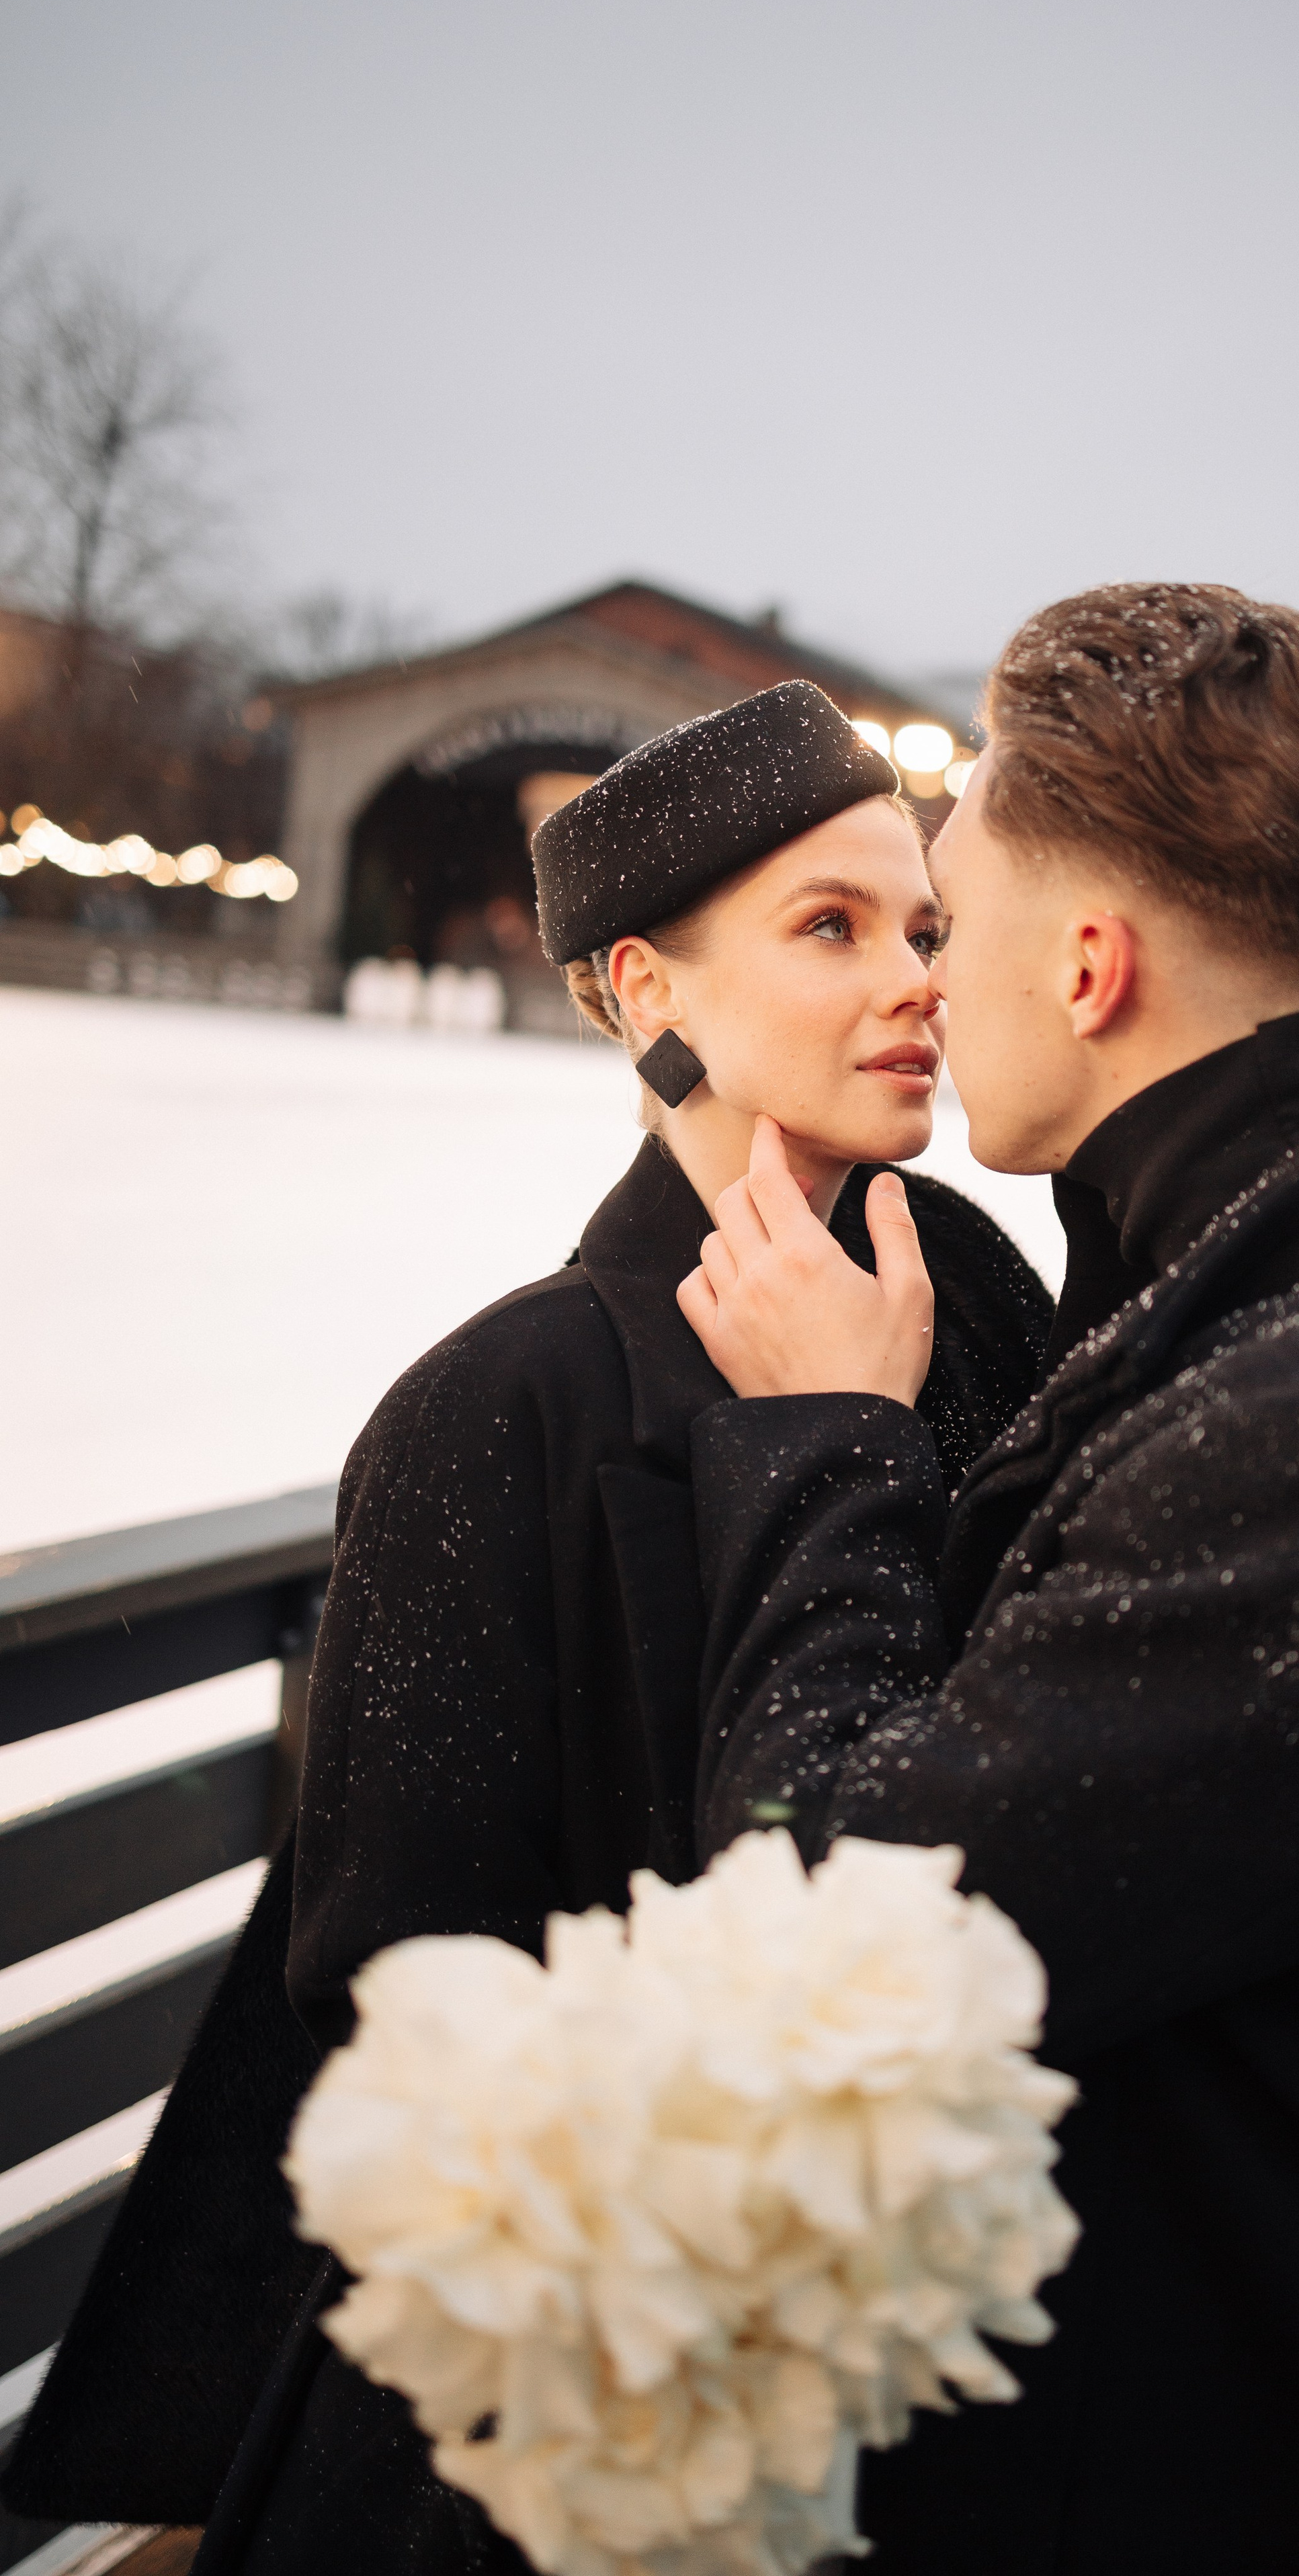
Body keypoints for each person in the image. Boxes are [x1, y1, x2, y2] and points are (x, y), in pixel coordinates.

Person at [3, 681, 1051, 2573]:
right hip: (617, 2410)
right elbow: (401, 1985)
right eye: (831, 928)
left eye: (923, 926)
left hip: (978, 2345)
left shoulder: (975, 1304)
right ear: (644, 992)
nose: (915, 977)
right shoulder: (500, 1409)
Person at [676, 592, 1299, 2573]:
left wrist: (825, 1445)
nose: (927, 990)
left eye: (951, 928)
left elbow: (841, 1941)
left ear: (1095, 960)